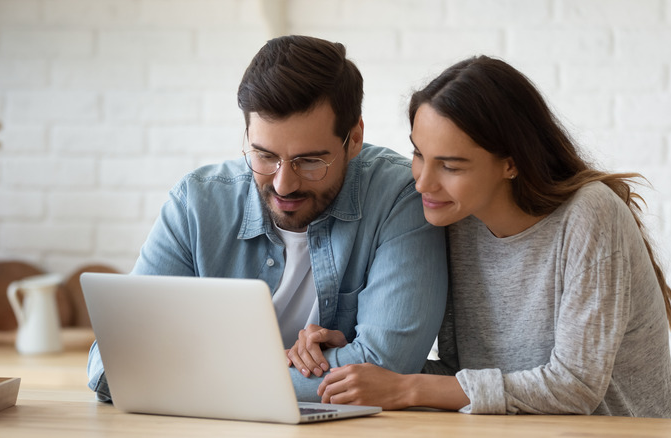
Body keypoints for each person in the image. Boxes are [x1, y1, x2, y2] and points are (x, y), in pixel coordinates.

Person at [310, 55, 671, 418]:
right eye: (419, 154)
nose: (422, 181)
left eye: (451, 165)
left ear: (511, 163)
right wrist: (362, 366)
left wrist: (408, 389)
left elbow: (574, 386)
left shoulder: (590, 215)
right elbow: (470, 379)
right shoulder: (457, 221)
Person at [86, 35, 448, 403]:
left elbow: (387, 367)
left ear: (353, 139)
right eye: (264, 155)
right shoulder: (196, 204)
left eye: (309, 161)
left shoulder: (399, 196)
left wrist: (194, 374)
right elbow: (111, 364)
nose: (284, 184)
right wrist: (273, 368)